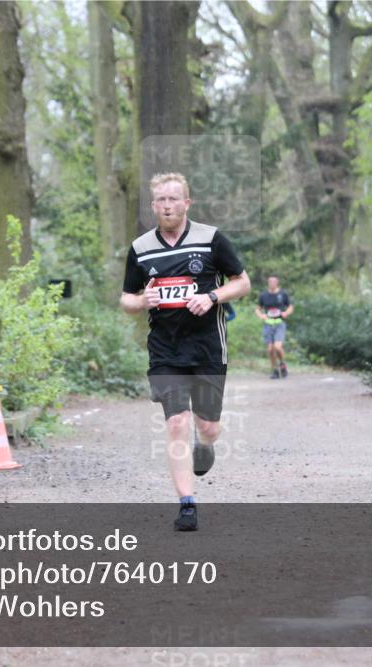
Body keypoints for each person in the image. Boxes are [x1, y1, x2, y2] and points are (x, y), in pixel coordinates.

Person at [120, 172, 250, 531]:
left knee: (207, 425)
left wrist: (211, 297)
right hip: (165, 351)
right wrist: (140, 300)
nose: (167, 205)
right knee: (177, 422)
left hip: (208, 346)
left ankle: (205, 445)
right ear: (153, 205)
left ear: (186, 203)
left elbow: (242, 282)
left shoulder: (211, 240)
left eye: (174, 199)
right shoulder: (141, 248)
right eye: (161, 199)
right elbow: (126, 298)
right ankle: (187, 504)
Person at [255, 275, 293, 379]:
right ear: (268, 283)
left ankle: (282, 364)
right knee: (270, 349)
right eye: (270, 281)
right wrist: (261, 315)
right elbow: (257, 309)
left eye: (274, 281)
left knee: (277, 347)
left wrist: (286, 313)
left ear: (277, 283)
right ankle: (275, 370)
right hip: (268, 324)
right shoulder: (263, 295)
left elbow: (290, 306)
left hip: (279, 323)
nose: (272, 283)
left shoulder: (283, 294)